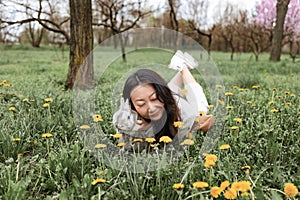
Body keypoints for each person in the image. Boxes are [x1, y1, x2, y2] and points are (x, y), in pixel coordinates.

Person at [113, 50, 214, 152]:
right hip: (166, 97)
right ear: (132, 107)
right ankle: (181, 67)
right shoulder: (126, 119)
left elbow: (174, 149)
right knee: (170, 90)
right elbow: (127, 149)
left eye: (154, 98)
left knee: (201, 107)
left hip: (177, 108)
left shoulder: (184, 115)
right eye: (141, 104)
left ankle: (183, 68)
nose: (152, 108)